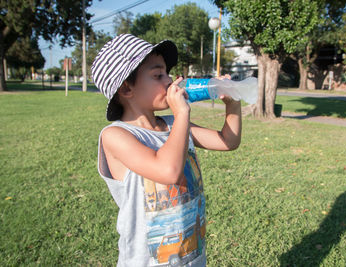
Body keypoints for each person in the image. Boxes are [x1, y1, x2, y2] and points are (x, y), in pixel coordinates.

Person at [92, 34, 241, 267]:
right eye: (158, 75)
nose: (170, 81)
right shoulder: (116, 136)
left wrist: (232, 104)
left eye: (167, 73)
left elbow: (226, 141)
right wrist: (182, 113)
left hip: (191, 256)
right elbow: (168, 171)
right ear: (126, 88)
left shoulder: (173, 124)